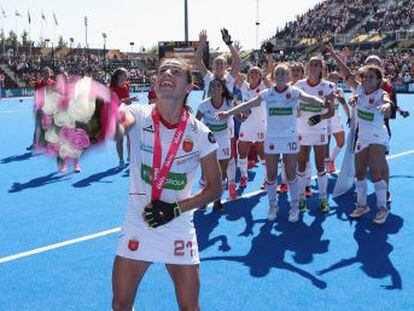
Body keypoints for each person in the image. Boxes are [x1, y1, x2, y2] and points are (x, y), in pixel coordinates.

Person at [112, 58, 222, 310]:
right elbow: (120, 124)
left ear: (188, 87)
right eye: (162, 71)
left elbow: (215, 188)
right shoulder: (138, 115)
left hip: (177, 225)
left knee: (189, 307)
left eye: (175, 71)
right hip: (139, 222)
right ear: (155, 82)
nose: (167, 74)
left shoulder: (200, 133)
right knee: (120, 305)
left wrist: (175, 209)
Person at [217, 63, 328, 223]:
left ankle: (295, 207)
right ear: (273, 77)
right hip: (272, 139)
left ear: (289, 76)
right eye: (278, 74)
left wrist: (322, 102)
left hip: (289, 139)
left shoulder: (294, 92)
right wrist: (228, 112)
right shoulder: (267, 93)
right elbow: (248, 104)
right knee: (270, 176)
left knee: (290, 175)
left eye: (284, 74)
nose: (281, 77)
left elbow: (309, 98)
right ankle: (272, 206)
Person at [327, 44, 393, 224]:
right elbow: (346, 74)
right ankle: (362, 205)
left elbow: (387, 103)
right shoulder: (360, 91)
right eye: (365, 77)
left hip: (378, 137)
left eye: (371, 77)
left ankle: (382, 209)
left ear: (378, 80)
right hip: (362, 137)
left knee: (376, 171)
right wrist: (334, 55)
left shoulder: (381, 93)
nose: (367, 80)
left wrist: (387, 106)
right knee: (360, 173)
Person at [195, 29, 240, 198]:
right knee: (206, 160)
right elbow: (198, 60)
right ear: (213, 66)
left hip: (227, 123)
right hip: (210, 123)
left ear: (225, 67)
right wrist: (202, 43)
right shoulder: (208, 78)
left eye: (222, 63)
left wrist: (229, 44)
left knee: (228, 158)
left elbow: (237, 61)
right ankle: (203, 192)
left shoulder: (229, 79)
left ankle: (230, 185)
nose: (219, 65)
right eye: (217, 63)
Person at [295, 56, 334, 214]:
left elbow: (330, 111)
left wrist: (319, 117)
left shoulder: (327, 87)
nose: (312, 67)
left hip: (319, 130)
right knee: (301, 164)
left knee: (320, 165)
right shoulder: (299, 85)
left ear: (321, 69)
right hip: (301, 130)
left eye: (316, 65)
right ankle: (301, 198)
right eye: (310, 64)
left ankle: (323, 198)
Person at [196, 78, 234, 211]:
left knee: (222, 172)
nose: (216, 88)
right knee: (205, 173)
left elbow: (242, 114)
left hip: (224, 139)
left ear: (223, 89)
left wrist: (244, 114)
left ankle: (218, 200)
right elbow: (196, 122)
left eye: (218, 86)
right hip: (208, 141)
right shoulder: (204, 104)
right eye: (213, 86)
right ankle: (202, 200)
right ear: (209, 90)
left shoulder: (229, 103)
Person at [326, 71, 350, 173]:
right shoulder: (324, 88)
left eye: (336, 78)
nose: (334, 80)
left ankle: (331, 160)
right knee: (325, 144)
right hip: (326, 118)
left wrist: (349, 116)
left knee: (341, 142)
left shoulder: (339, 90)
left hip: (336, 118)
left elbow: (344, 104)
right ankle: (325, 167)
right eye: (332, 77)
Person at [27, 67, 56, 151]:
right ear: (42, 74)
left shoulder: (53, 84)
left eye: (48, 72)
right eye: (45, 72)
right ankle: (35, 144)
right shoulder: (38, 83)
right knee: (37, 126)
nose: (46, 74)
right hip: (39, 108)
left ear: (50, 74)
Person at [110, 67, 132, 167]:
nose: (127, 74)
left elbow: (129, 101)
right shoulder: (111, 89)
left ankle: (130, 157)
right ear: (119, 76)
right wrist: (128, 99)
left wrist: (131, 104)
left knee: (130, 137)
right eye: (125, 73)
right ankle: (121, 160)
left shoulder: (126, 85)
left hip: (127, 114)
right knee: (120, 140)